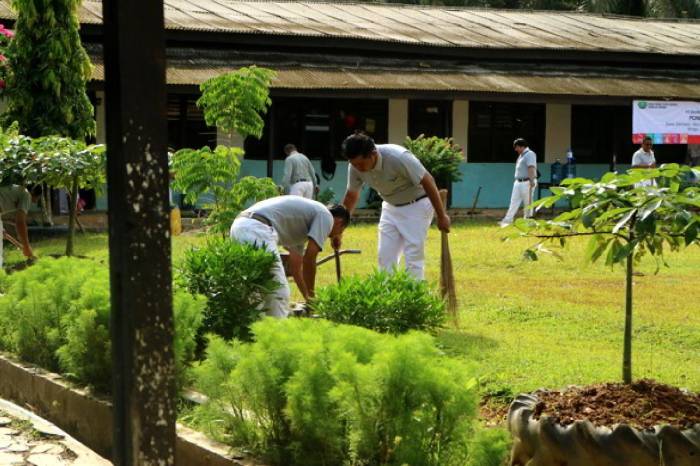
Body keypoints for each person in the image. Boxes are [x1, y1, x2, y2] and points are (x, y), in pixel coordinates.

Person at [336, 132, 450, 280]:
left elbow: (428, 181)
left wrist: (441, 215)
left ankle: (414, 297)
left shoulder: (398, 157)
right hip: (389, 207)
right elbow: (351, 195)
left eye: (361, 164)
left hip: (417, 205)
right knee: (385, 255)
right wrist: (339, 229)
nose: (358, 168)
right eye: (354, 164)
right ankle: (387, 296)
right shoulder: (355, 166)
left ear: (373, 154)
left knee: (413, 254)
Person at [230, 196, 349, 318]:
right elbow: (309, 259)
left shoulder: (301, 225)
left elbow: (296, 270)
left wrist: (308, 300)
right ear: (340, 223)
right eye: (341, 230)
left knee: (255, 293)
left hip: (240, 226)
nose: (338, 234)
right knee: (278, 293)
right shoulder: (326, 215)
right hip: (257, 229)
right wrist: (313, 297)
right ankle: (277, 335)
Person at [499, 138, 538, 227]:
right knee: (513, 202)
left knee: (527, 202)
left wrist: (532, 181)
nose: (515, 149)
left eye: (516, 147)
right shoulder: (521, 155)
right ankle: (507, 221)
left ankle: (527, 221)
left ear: (522, 146)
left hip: (527, 181)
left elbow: (531, 167)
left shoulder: (530, 154)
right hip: (518, 182)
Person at [0, 184, 36, 268]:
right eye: (37, 199)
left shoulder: (12, 191)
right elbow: (20, 222)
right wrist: (26, 247)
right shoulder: (26, 194)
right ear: (33, 194)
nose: (35, 202)